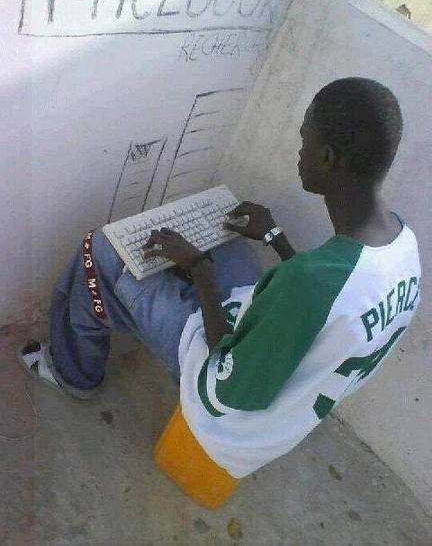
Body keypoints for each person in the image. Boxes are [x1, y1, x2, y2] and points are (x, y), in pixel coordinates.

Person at [19, 77, 421, 479]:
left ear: (327, 158)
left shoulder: (309, 282)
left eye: (305, 139)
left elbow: (229, 379)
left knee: (102, 249)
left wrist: (198, 269)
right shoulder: (402, 247)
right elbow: (327, 298)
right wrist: (274, 237)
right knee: (225, 237)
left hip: (225, 410)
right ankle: (149, 296)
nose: (300, 150)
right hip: (280, 370)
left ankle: (73, 375)